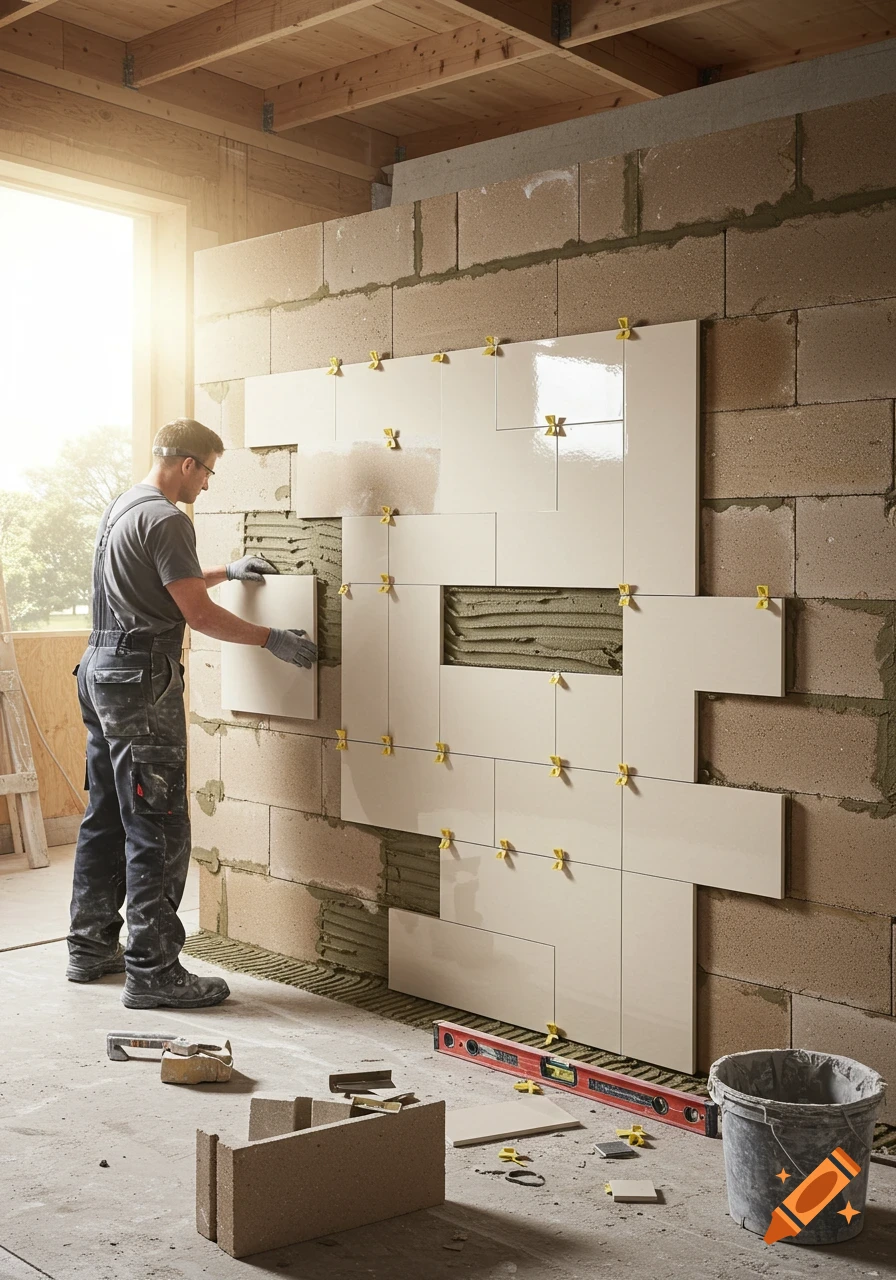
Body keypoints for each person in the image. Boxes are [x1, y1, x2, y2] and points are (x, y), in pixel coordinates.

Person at [66, 418, 317, 1009]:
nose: (206, 484)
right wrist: (270, 638)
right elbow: (197, 616)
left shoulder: (125, 508)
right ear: (187, 463)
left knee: (107, 813)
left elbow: (164, 584)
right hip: (139, 683)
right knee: (158, 822)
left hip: (99, 670)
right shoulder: (170, 518)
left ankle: (90, 946)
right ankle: (153, 971)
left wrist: (226, 571)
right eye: (207, 471)